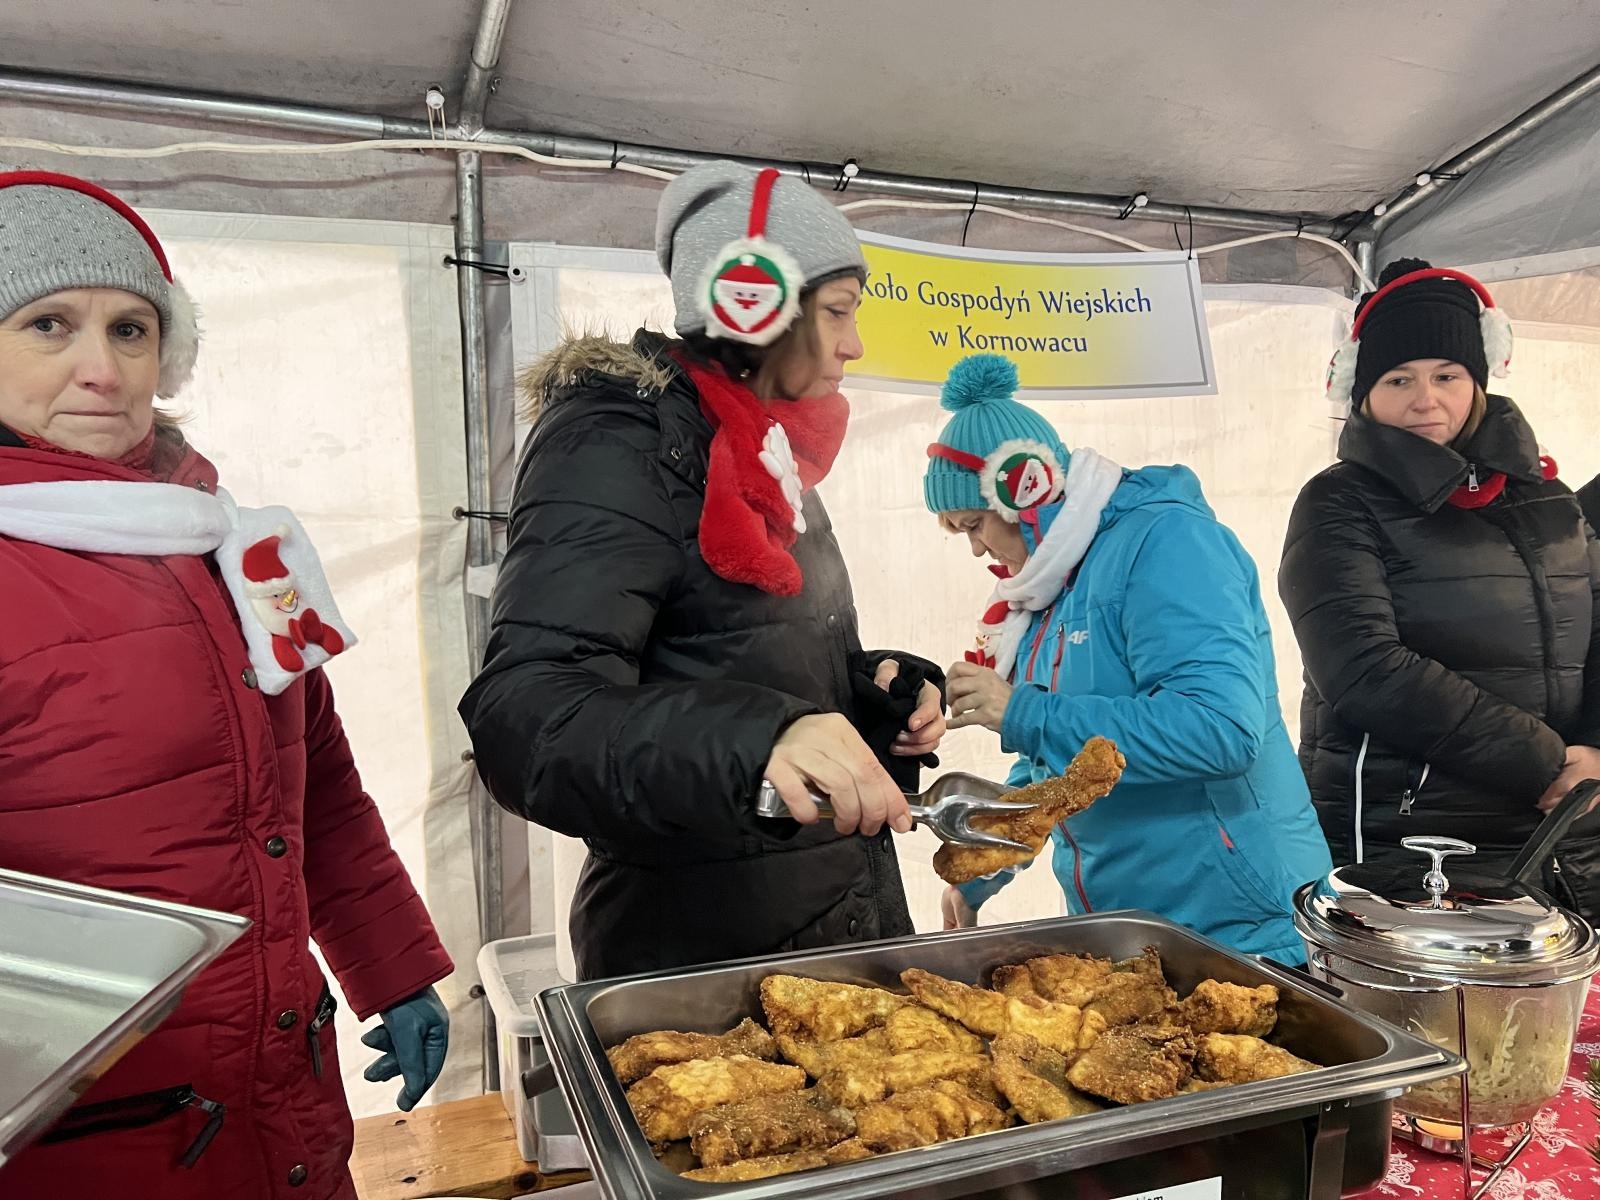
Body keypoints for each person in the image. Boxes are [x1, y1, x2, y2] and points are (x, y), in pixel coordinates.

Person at [0, 172, 451, 1200]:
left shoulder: (225, 541)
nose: (100, 369)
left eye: (130, 330)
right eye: (48, 325)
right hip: (92, 1142)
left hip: (278, 1098)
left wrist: (393, 967)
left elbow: (319, 788)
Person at [459, 162, 945, 981]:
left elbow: (729, 655)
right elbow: (526, 720)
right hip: (701, 969)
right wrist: (761, 739)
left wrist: (870, 697)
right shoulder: (619, 445)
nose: (854, 345)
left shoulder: (764, 449)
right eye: (837, 311)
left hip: (826, 924)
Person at [924, 354, 1330, 964]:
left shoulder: (1170, 544)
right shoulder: (1049, 588)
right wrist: (985, 863)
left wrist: (1025, 712)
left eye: (976, 524)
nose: (978, 549)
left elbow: (1219, 730)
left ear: (1025, 488)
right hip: (1127, 934)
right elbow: (1057, 764)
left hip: (1241, 930)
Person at [1280, 258, 1600, 914]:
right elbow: (1362, 666)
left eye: (1446, 375)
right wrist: (1543, 763)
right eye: (1399, 379)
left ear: (1477, 379)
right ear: (1363, 391)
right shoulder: (1338, 502)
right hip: (1413, 839)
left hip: (1567, 826)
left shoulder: (1548, 496)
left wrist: (1594, 747)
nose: (1426, 399)